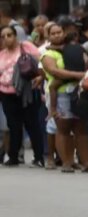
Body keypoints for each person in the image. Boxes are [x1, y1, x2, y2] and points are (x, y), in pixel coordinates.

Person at [40, 21, 88, 172]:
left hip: (78, 91)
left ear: (64, 33)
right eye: (53, 33)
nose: (57, 35)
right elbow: (55, 72)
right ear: (48, 36)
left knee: (81, 128)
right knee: (63, 128)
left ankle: (86, 162)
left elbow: (86, 63)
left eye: (59, 32)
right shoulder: (47, 54)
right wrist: (78, 75)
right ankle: (66, 162)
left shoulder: (74, 49)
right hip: (61, 93)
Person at [1, 23, 43, 167]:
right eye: (3, 37)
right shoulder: (2, 54)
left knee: (32, 124)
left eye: (9, 35)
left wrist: (40, 77)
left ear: (15, 36)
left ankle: (39, 157)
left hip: (27, 92)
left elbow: (41, 61)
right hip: (6, 94)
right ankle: (14, 157)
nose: (6, 39)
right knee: (13, 126)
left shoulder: (26, 47)